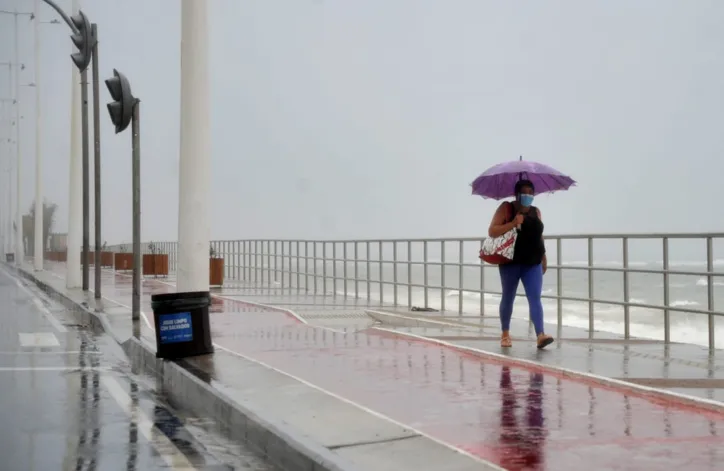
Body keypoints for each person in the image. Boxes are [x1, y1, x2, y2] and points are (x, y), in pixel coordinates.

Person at [487, 179, 554, 349]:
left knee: (535, 297)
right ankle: (505, 334)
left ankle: (540, 335)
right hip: (511, 261)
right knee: (508, 297)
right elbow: (492, 231)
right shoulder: (507, 208)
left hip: (533, 262)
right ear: (517, 194)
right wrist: (513, 223)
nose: (528, 196)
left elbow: (539, 236)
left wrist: (544, 257)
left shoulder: (536, 212)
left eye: (531, 193)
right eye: (525, 193)